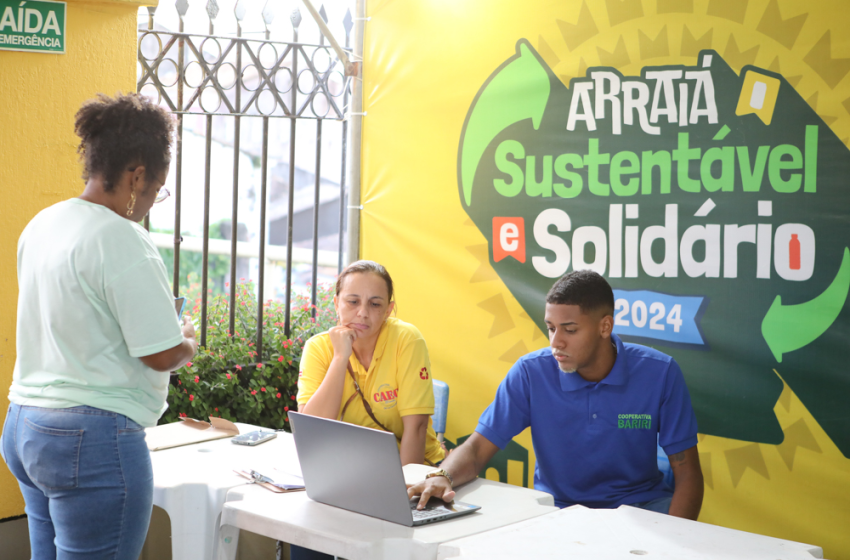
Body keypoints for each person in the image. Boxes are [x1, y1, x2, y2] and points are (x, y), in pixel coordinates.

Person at [0, 93, 198, 560]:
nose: (151, 201)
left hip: (25, 424)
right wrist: (186, 339)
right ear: (137, 176)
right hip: (91, 441)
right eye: (156, 189)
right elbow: (158, 352)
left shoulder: (44, 223)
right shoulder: (122, 237)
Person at [409, 270, 704, 519]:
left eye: (570, 330)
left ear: (605, 326)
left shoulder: (660, 372)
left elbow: (688, 475)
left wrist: (670, 545)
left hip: (642, 509)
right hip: (560, 511)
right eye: (551, 328)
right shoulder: (530, 372)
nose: (556, 342)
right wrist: (440, 476)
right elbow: (476, 449)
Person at [292, 260, 445, 560]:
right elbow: (312, 431)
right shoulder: (318, 348)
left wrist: (401, 497)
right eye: (352, 301)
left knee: (387, 543)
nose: (362, 313)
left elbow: (415, 428)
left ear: (389, 310)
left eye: (375, 304)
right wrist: (340, 358)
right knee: (308, 537)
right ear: (335, 303)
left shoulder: (407, 339)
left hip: (412, 473)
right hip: (348, 476)